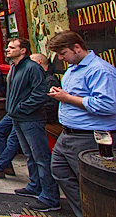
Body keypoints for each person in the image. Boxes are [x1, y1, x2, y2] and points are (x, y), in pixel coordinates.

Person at [47, 31, 116, 217]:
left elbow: (108, 105)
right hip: (68, 133)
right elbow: (78, 95)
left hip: (88, 135)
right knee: (59, 170)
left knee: (91, 183)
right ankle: (84, 211)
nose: (61, 58)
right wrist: (62, 93)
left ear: (77, 48)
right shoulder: (73, 68)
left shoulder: (100, 70)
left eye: (63, 53)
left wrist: (67, 98)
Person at [5, 38, 60, 212]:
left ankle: (50, 197)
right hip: (18, 117)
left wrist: (21, 108)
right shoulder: (14, 68)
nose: (8, 50)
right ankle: (35, 185)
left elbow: (40, 94)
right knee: (29, 154)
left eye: (12, 47)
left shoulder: (32, 68)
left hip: (31, 119)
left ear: (23, 51)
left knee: (41, 157)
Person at [29, 53, 60, 124]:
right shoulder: (37, 78)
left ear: (39, 61)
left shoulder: (49, 80)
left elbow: (51, 105)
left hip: (42, 119)